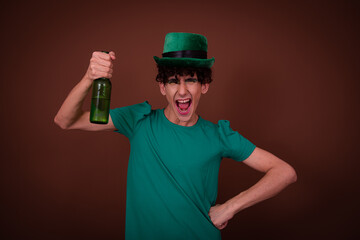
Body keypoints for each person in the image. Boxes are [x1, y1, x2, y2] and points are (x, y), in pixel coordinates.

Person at [54, 32, 297, 240]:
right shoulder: (138, 120)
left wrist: (230, 207)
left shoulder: (219, 135)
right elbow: (65, 120)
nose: (182, 90)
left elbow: (284, 172)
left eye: (191, 80)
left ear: (204, 86)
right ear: (162, 87)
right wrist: (89, 77)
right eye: (173, 81)